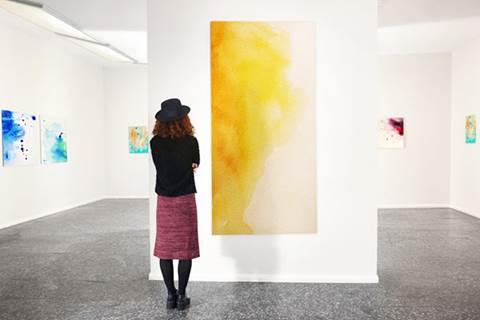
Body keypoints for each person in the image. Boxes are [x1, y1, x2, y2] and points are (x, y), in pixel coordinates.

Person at [150, 98, 200, 310]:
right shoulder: (191, 141)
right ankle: (181, 296)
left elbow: (161, 167)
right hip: (185, 200)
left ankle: (170, 296)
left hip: (165, 202)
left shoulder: (155, 143)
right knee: (184, 251)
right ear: (183, 118)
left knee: (166, 250)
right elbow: (195, 165)